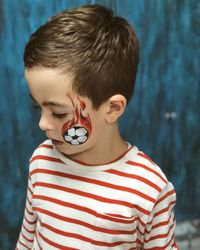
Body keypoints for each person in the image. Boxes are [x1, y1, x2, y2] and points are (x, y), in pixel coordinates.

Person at [16, 4, 178, 250]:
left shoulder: (149, 189)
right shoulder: (41, 162)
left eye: (59, 113)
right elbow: (27, 240)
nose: (43, 124)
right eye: (38, 108)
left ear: (112, 109)